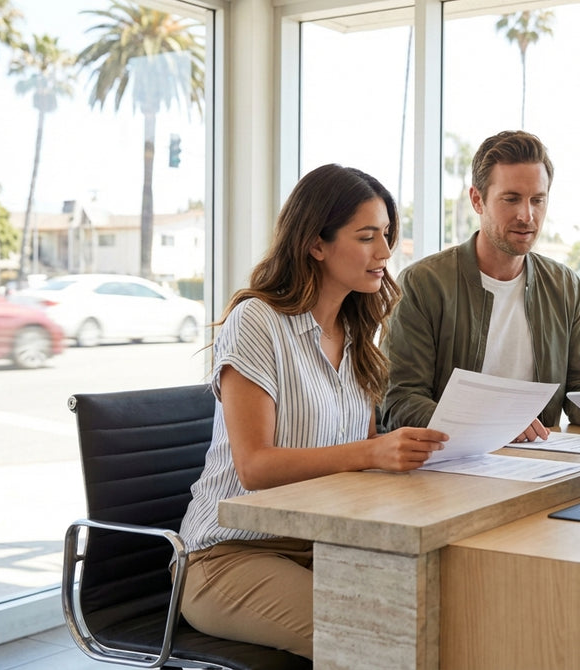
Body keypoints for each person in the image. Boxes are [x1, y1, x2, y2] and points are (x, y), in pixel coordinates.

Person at [176, 164, 448, 660]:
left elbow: (360, 460)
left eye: (386, 234)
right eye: (366, 237)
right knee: (375, 644)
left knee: (444, 614)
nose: (385, 252)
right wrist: (372, 452)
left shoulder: (356, 336)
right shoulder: (258, 322)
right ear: (316, 244)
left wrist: (412, 453)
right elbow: (254, 467)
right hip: (229, 555)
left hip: (321, 543)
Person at [380, 129, 580, 441]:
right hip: (452, 460)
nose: (527, 215)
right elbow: (399, 401)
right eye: (511, 199)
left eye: (537, 200)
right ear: (477, 200)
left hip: (540, 457)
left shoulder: (563, 284)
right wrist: (490, 423)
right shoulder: (422, 284)